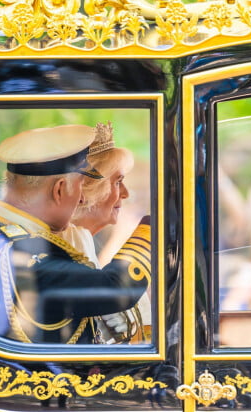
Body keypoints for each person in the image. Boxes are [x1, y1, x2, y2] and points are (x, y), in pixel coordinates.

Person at [0, 124, 151, 344]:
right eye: (80, 185)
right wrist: (154, 227)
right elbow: (117, 289)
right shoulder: (24, 256)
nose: (81, 199)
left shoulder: (1, 233)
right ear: (60, 189)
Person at [66, 121, 152, 344]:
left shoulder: (85, 247)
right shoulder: (63, 255)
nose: (125, 194)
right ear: (85, 191)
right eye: (118, 182)